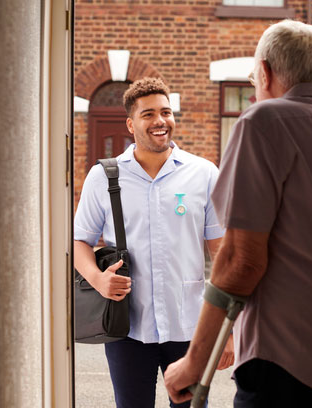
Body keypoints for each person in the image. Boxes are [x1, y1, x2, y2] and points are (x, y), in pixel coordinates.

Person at [164, 20, 312, 407]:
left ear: (264, 72)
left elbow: (239, 261)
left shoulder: (263, 122)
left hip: (289, 368)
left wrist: (195, 361)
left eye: (253, 80)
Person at [74, 77, 232, 408]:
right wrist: (98, 279)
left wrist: (227, 329)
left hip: (191, 326)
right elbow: (79, 242)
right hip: (127, 329)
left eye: (166, 112)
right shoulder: (103, 177)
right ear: (131, 124)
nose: (160, 121)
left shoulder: (203, 174)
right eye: (148, 114)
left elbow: (223, 255)